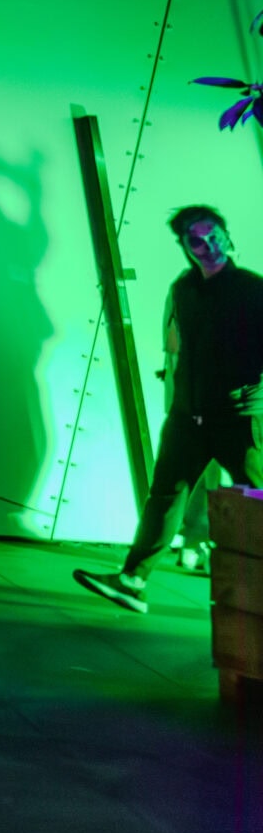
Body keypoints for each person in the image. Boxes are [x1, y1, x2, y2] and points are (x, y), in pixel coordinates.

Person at [75, 205, 263, 613]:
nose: (208, 245)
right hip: (188, 418)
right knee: (164, 497)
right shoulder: (184, 289)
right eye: (196, 239)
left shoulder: (252, 289)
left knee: (256, 500)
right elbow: (185, 348)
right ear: (186, 247)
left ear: (228, 236)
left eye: (214, 234)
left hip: (237, 416)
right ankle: (131, 581)